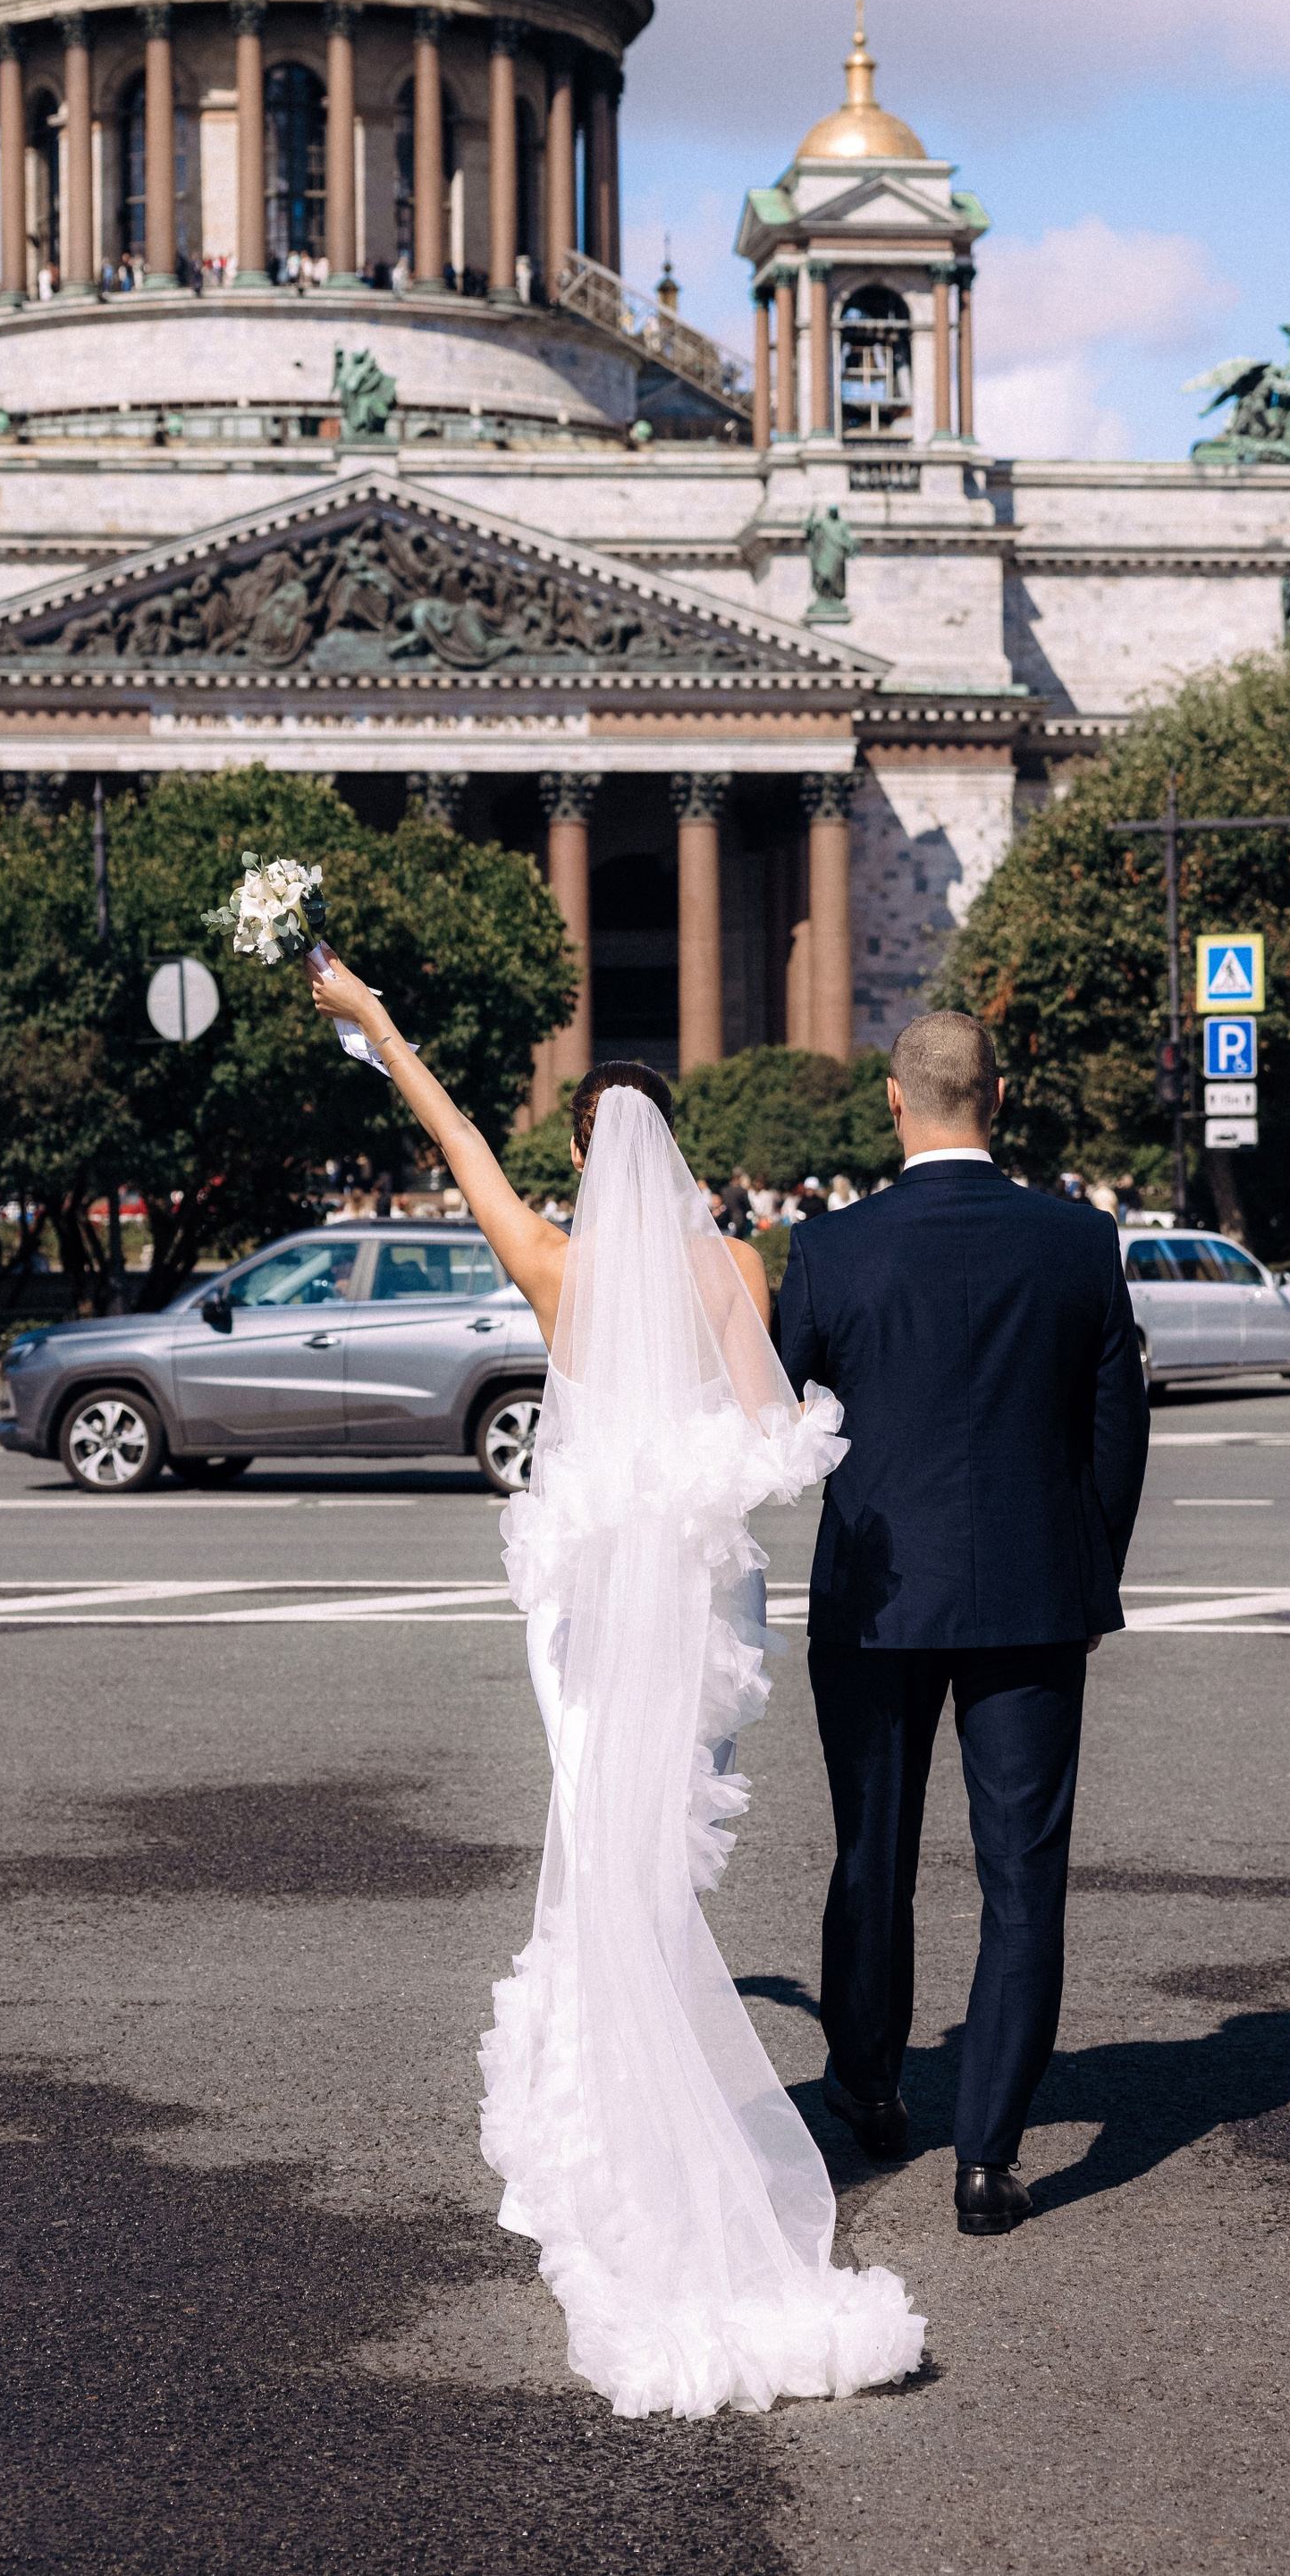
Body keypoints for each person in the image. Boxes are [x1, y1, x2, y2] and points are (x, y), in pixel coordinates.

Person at [304, 949, 922, 2417]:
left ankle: (617, 2128)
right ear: (679, 1158)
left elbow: (453, 1131)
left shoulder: (551, 1262)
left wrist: (378, 1018)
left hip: (585, 1592)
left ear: (583, 1156)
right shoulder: (735, 1267)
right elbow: (774, 1438)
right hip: (703, 1591)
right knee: (655, 1858)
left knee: (598, 1844)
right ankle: (651, 2107)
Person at [775, 1009, 1148, 2242]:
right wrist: (1090, 1575)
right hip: (1035, 1595)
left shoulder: (831, 1249)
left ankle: (870, 2081)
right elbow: (1118, 1429)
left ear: (895, 1099)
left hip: (875, 1595)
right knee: (1021, 1877)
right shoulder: (1080, 1241)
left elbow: (784, 1419)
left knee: (871, 1850)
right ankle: (987, 2159)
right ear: (1001, 1091)